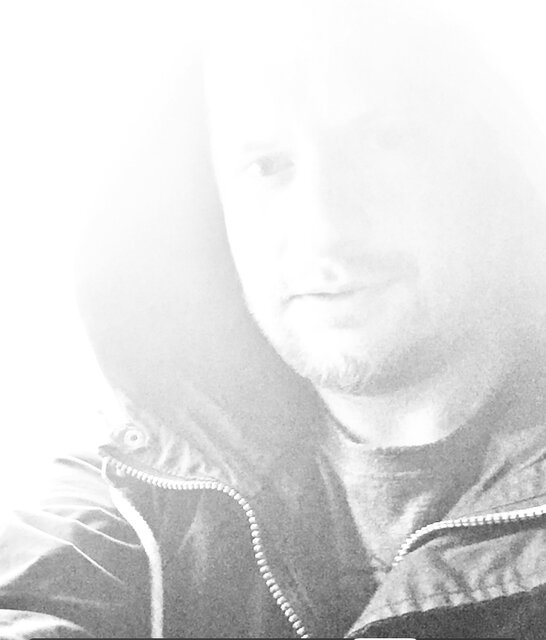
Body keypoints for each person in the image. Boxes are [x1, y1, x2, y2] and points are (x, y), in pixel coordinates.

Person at [2, 1, 546, 638]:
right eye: (266, 167)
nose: (325, 228)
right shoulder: (133, 480)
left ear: (495, 164)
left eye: (386, 141)